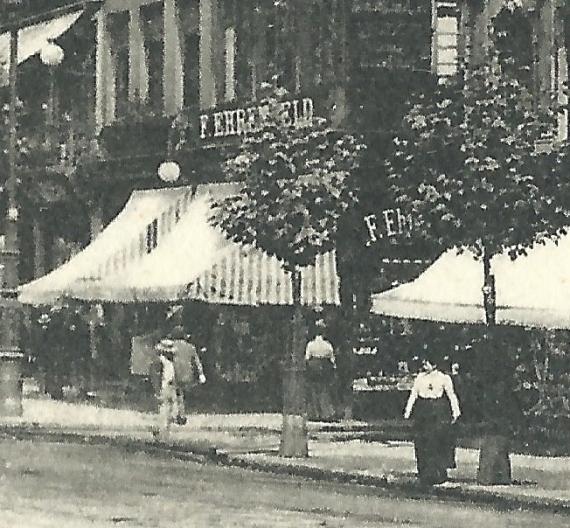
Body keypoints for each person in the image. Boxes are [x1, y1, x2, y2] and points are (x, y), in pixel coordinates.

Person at [403, 351, 461, 485]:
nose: (424, 365)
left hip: (437, 411)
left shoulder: (443, 378)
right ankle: (424, 472)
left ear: (434, 364)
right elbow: (413, 395)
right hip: (423, 411)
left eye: (427, 362)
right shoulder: (420, 378)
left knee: (437, 441)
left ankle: (438, 472)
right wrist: (408, 411)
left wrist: (455, 412)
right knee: (422, 441)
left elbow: (451, 395)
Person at [168, 325, 206, 425]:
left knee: (176, 394)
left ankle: (178, 415)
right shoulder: (191, 347)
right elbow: (197, 362)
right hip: (188, 374)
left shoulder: (172, 346)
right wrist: (201, 374)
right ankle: (181, 415)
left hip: (176, 374)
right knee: (181, 394)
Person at [305, 324, 336, 420]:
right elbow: (332, 359)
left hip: (313, 368)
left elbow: (307, 358)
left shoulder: (310, 345)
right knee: (325, 390)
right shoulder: (328, 345)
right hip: (325, 368)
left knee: (313, 390)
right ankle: (326, 413)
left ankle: (314, 413)